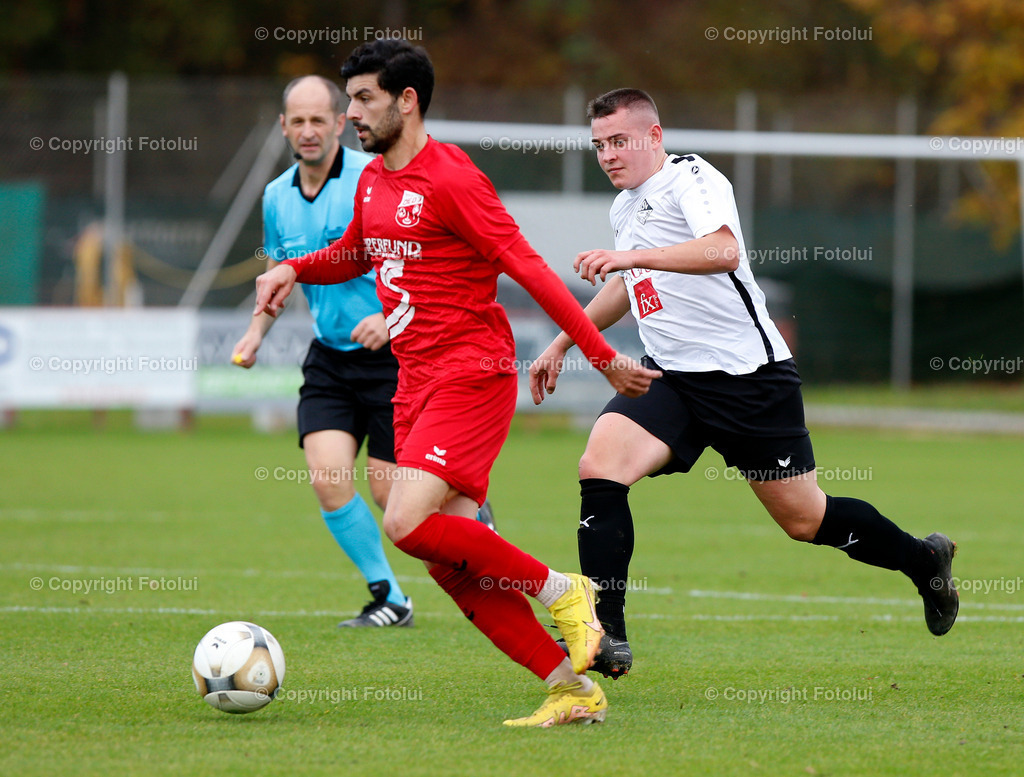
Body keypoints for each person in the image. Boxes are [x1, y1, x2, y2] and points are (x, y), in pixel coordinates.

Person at [251, 41, 662, 727]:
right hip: (412, 383)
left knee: (404, 521)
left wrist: (597, 353)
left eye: (362, 98)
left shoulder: (453, 178)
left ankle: (564, 590)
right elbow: (356, 249)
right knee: (451, 560)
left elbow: (529, 268)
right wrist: (293, 268)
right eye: (349, 99)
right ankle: (570, 688)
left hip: (470, 373)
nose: (350, 112)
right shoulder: (376, 180)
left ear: (406, 101)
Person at [529, 88, 959, 680]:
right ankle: (608, 635)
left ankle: (923, 559)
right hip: (672, 379)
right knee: (599, 467)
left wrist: (633, 257)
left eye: (620, 140)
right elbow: (628, 289)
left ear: (655, 137)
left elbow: (724, 250)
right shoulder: (625, 208)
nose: (608, 154)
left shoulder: (692, 178)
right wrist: (562, 341)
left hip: (749, 382)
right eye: (600, 144)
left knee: (805, 520)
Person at [234, 74, 488, 630]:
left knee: (387, 491)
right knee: (327, 477)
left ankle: (477, 532)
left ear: (339, 122)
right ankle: (389, 597)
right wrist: (256, 331)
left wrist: (388, 318)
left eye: (319, 119)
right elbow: (281, 275)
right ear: (283, 127)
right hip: (330, 357)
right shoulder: (277, 196)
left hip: (397, 358)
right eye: (296, 121)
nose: (307, 131)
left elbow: (414, 264)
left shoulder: (371, 180)